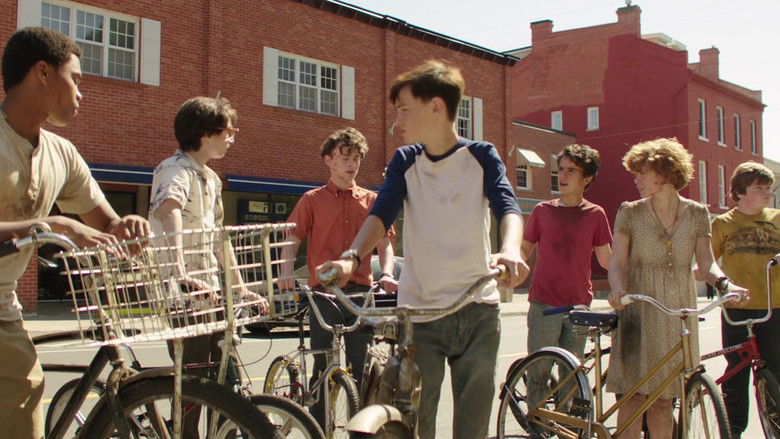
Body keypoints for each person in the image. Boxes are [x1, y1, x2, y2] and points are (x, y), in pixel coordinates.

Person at [317, 60, 529, 439]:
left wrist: (511, 250)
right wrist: (351, 258)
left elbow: (507, 207)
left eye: (404, 110)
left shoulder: (482, 156)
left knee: (472, 428)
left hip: (477, 309)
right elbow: (381, 214)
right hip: (419, 315)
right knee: (416, 426)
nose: (396, 121)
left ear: (436, 107)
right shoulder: (405, 161)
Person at [0, 27, 150, 438]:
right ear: (43, 72)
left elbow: (105, 222)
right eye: (76, 79)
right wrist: (50, 225)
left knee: (24, 400)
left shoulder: (61, 153)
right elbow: (57, 225)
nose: (81, 94)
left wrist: (127, 226)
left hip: (3, 308)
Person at [607, 138, 748, 439]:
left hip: (678, 313)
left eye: (642, 172)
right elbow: (617, 262)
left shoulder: (697, 213)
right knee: (634, 396)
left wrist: (725, 284)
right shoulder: (629, 212)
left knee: (664, 400)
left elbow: (707, 264)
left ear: (665, 172)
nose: (636, 179)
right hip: (639, 308)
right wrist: (617, 290)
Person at [149, 96, 268, 438]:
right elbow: (169, 209)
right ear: (205, 132)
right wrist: (180, 270)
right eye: (229, 131)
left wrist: (241, 287)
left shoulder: (212, 179)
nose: (233, 137)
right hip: (183, 294)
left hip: (210, 292)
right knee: (193, 380)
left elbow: (219, 237)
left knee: (223, 375)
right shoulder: (174, 169)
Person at [279, 126, 397, 429]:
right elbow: (292, 239)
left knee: (363, 368)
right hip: (324, 293)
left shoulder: (372, 200)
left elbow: (385, 242)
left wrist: (386, 272)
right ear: (329, 160)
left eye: (356, 158)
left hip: (360, 292)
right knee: (323, 365)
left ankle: (361, 430)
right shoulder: (311, 200)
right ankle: (319, 430)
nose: (352, 164)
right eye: (345, 157)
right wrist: (285, 272)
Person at [710, 161, 780, 439]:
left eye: (769, 188)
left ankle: (775, 427)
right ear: (739, 192)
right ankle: (733, 430)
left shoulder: (778, 218)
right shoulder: (723, 223)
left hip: (774, 306)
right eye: (760, 188)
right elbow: (707, 263)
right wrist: (718, 283)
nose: (768, 193)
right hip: (736, 309)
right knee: (735, 373)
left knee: (776, 369)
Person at [522, 144, 612, 359]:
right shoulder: (542, 211)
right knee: (538, 371)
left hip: (578, 305)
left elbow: (607, 260)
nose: (562, 175)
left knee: (572, 372)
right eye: (560, 169)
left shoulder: (595, 214)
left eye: (571, 171)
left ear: (587, 178)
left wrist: (633, 273)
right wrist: (508, 266)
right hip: (544, 303)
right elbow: (523, 250)